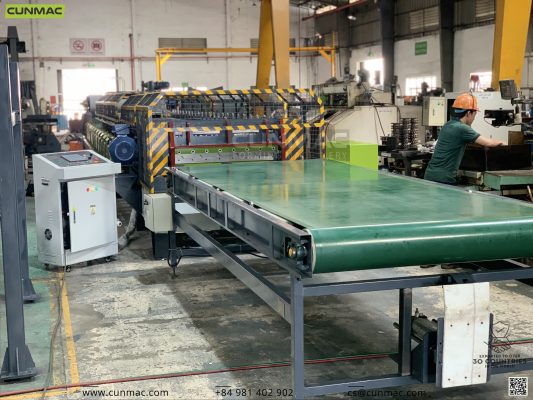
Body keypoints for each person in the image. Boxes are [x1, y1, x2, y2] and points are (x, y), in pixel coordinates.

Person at [424, 92, 504, 185]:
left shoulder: (448, 125)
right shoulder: (462, 128)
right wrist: (502, 142)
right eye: (474, 115)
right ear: (469, 113)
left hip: (430, 175)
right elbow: (488, 143)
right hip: (444, 179)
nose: (474, 118)